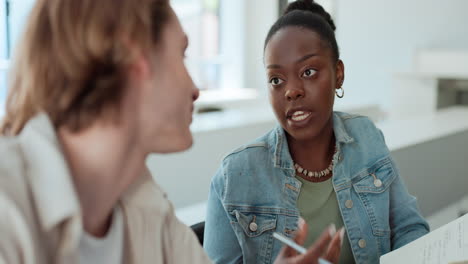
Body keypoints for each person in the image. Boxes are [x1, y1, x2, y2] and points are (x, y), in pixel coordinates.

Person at [0, 0, 342, 263]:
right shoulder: (8, 212)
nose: (195, 88)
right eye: (182, 55)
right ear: (135, 59)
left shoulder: (144, 203)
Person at [203, 0, 430, 263]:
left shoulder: (366, 136)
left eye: (308, 72)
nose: (291, 91)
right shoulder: (234, 175)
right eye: (276, 79)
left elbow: (409, 227)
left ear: (338, 74)